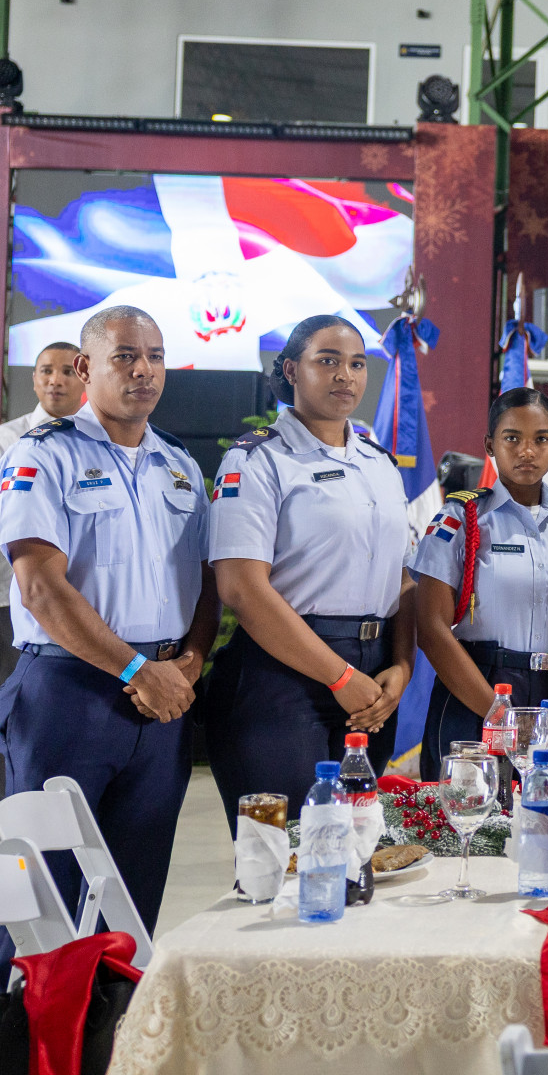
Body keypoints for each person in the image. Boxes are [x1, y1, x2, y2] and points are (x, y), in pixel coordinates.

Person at [0, 307, 216, 937]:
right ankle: (27, 1006)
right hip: (69, 694)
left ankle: (116, 1004)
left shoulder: (179, 464)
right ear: (85, 367)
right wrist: (137, 669)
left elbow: (209, 581)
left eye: (155, 356)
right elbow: (41, 588)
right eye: (125, 356)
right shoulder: (43, 454)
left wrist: (189, 664)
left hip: (164, 700)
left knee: (132, 899)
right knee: (39, 904)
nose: (143, 370)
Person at [203, 314, 414, 826]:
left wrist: (402, 665)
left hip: (373, 677)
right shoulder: (257, 461)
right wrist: (339, 675)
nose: (346, 375)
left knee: (357, 843)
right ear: (291, 370)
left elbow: (404, 578)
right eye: (328, 361)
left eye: (357, 364)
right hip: (282, 676)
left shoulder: (380, 465)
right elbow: (240, 588)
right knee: (288, 851)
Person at [409, 388, 548, 779]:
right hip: (474, 690)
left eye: (541, 439)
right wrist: (500, 715)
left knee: (547, 812)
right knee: (466, 812)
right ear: (490, 445)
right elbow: (431, 629)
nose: (527, 451)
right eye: (512, 438)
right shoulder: (460, 520)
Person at [0, 343, 85, 720]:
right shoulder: (7, 441)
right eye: (47, 371)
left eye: (67, 371)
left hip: (78, 598)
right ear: (34, 380)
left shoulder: (103, 443)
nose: (56, 380)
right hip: (8, 595)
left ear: (85, 377)